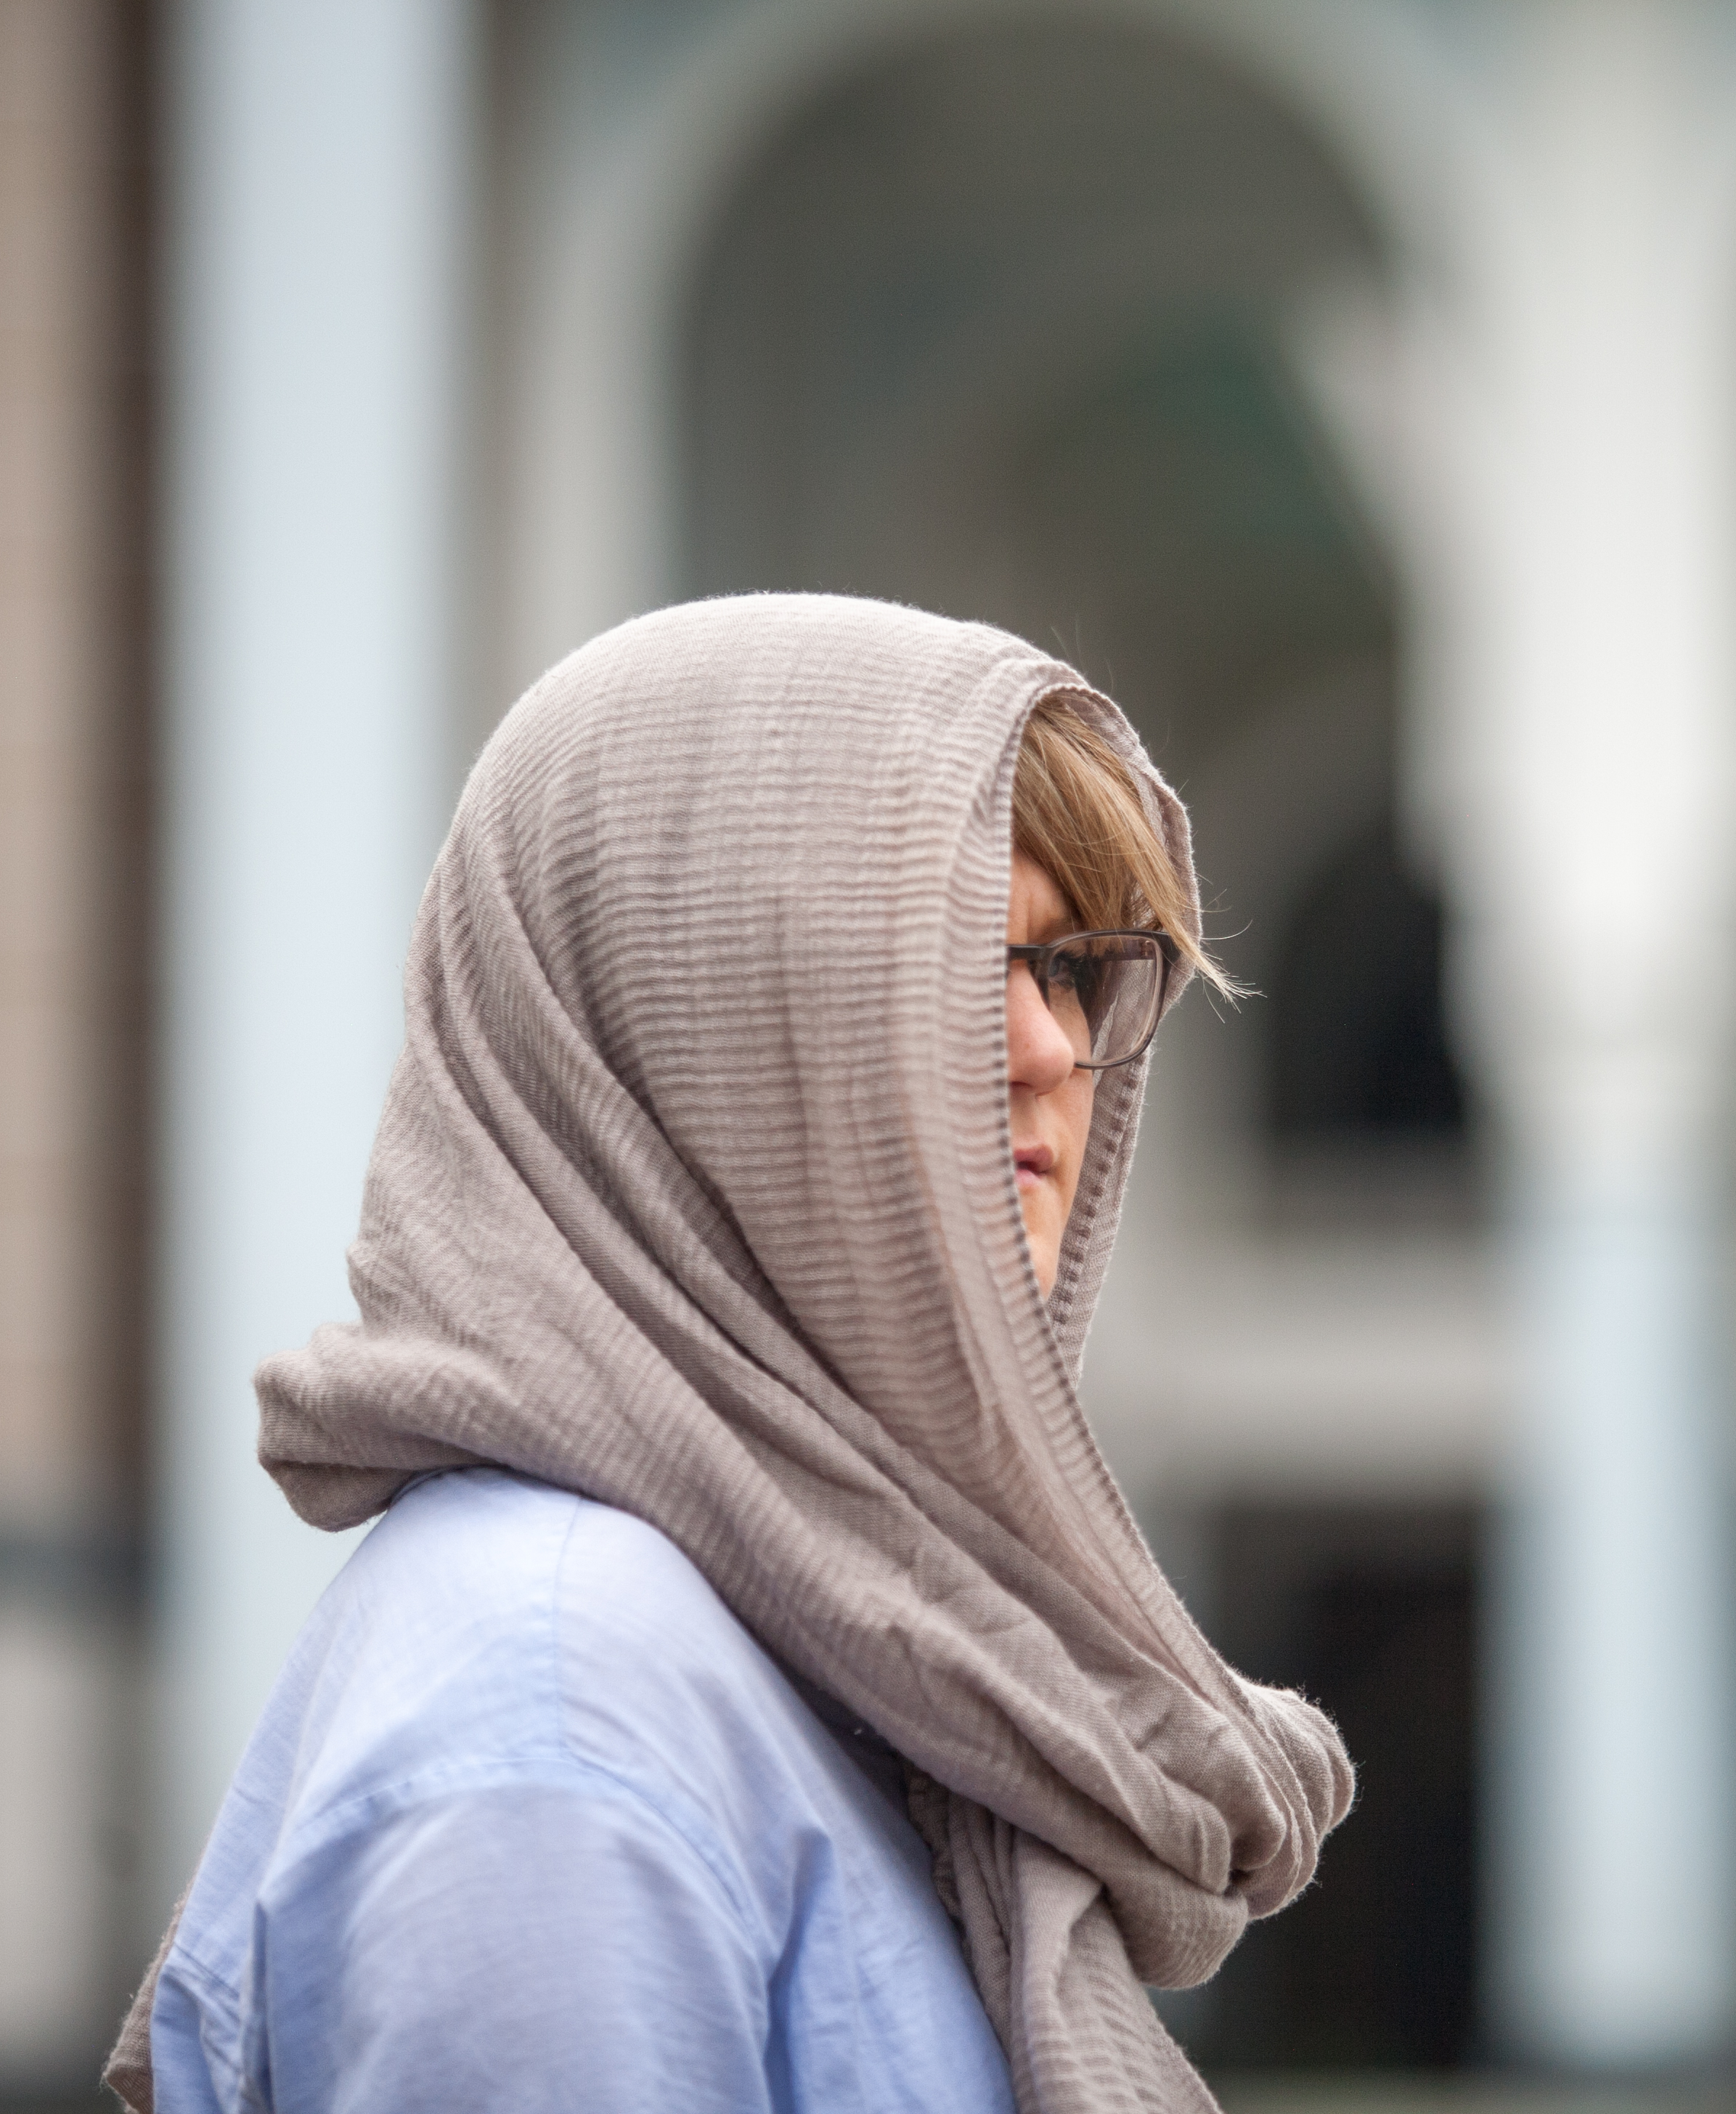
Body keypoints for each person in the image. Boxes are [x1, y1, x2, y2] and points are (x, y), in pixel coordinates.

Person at [107, 596, 1353, 2114]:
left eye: (1073, 971)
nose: (1043, 1045)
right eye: (954, 950)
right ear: (685, 1016)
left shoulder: (838, 1650)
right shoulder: (558, 1727)